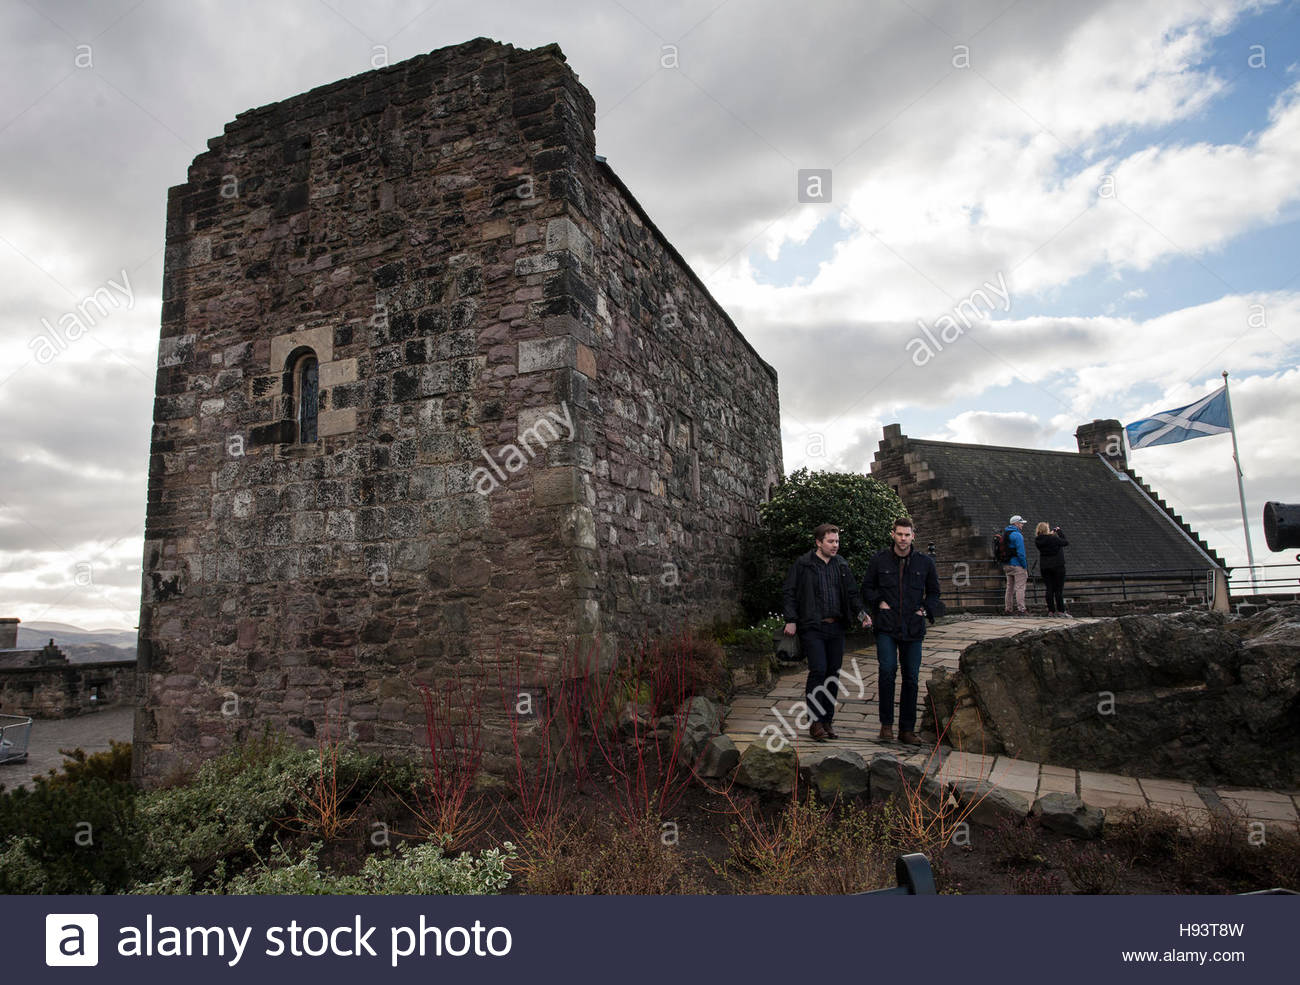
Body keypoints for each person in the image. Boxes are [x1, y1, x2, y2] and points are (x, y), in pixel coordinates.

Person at [782, 524, 872, 742]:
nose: (835, 545)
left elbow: (852, 594)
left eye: (837, 541)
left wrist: (862, 615)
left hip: (836, 627)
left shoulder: (841, 565)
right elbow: (789, 592)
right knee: (818, 670)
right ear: (818, 542)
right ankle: (815, 722)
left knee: (833, 673)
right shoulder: (803, 564)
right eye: (831, 541)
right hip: (812, 627)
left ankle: (828, 721)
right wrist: (791, 620)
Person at [861, 516, 941, 745]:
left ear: (913, 536)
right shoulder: (879, 560)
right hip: (886, 625)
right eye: (899, 534)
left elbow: (934, 593)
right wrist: (878, 602)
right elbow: (867, 587)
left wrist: (924, 610)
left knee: (911, 677)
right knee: (887, 671)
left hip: (913, 628)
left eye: (907, 535)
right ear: (893, 534)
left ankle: (907, 729)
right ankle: (886, 725)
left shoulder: (925, 563)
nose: (903, 539)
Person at [1035, 521, 1070, 617]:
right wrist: (1059, 532)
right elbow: (1065, 542)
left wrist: (1050, 534)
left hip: (1045, 567)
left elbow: (1046, 539)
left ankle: (1051, 611)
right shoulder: (1054, 539)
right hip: (1057, 566)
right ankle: (1061, 611)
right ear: (1047, 529)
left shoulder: (1038, 540)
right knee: (1058, 590)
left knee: (1049, 589)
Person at [1002, 515, 1028, 615]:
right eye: (1021, 523)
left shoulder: (1005, 534)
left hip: (1007, 565)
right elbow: (1021, 553)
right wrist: (1024, 566)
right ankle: (1021, 609)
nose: (1022, 525)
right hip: (1017, 564)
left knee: (1009, 588)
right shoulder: (1017, 535)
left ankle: (1008, 609)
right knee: (1020, 587)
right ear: (1016, 524)